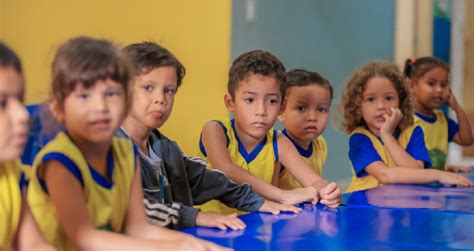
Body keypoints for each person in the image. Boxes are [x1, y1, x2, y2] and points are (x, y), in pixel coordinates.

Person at [27, 37, 225, 251]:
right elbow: (85, 239)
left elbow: (138, 228)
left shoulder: (126, 152)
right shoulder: (59, 162)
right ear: (58, 108)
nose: (101, 106)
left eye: (111, 94)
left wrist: (191, 243)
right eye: (84, 96)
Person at [119, 42, 300, 230]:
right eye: (148, 87)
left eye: (169, 90)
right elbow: (130, 209)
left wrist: (257, 202)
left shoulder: (165, 149)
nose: (161, 99)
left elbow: (207, 179)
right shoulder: (109, 151)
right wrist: (196, 217)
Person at [199, 50, 341, 214]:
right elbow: (226, 169)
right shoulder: (215, 130)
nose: (261, 111)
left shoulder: (279, 142)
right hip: (210, 227)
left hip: (254, 227)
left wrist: (328, 191)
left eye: (272, 101)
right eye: (250, 100)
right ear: (231, 102)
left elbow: (314, 180)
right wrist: (282, 195)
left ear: (282, 106)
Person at [339, 61, 473, 192]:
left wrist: (388, 137)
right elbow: (385, 175)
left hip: (402, 207)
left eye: (389, 98)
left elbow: (416, 171)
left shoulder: (413, 131)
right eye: (371, 99)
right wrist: (439, 174)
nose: (381, 106)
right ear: (358, 106)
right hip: (365, 210)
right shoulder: (359, 139)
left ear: (401, 102)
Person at [0, 42, 54, 250]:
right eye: (2, 103)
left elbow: (34, 245)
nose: (23, 114)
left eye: (20, 99)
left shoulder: (10, 170)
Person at [404, 57, 472, 172]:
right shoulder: (404, 119)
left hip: (434, 187)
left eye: (444, 84)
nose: (439, 90)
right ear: (411, 86)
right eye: (431, 83)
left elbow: (466, 140)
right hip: (411, 187)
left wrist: (457, 108)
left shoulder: (442, 120)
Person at [278, 69, 332, 190]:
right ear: (280, 112)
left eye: (321, 109)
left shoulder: (320, 144)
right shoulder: (274, 150)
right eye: (301, 108)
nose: (312, 117)